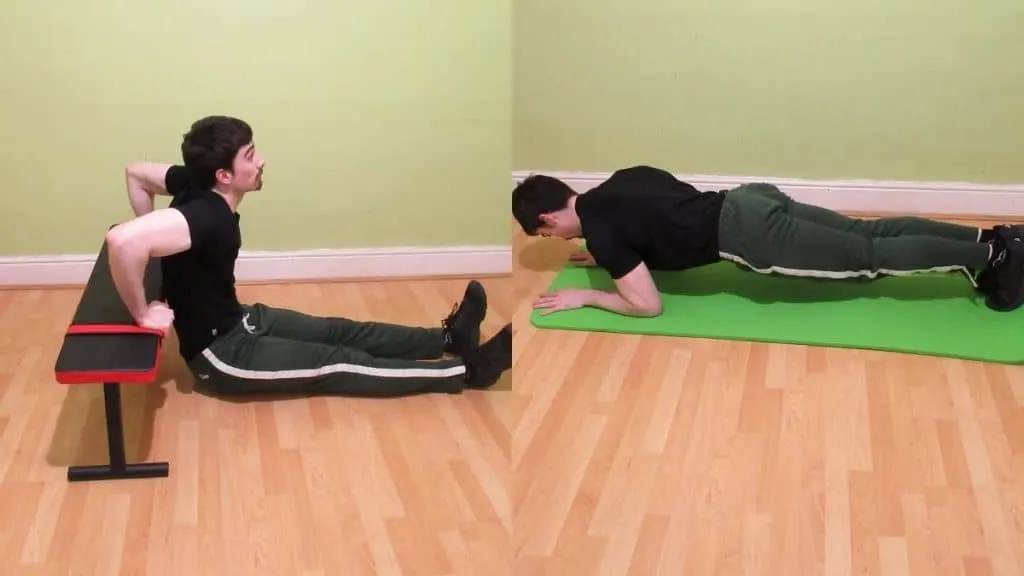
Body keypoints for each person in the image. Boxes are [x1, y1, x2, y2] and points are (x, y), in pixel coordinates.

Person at [105, 115, 512, 398]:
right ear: (224, 176)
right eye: (249, 156)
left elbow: (135, 172)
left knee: (340, 330)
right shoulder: (206, 215)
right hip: (223, 355)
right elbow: (123, 242)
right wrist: (143, 312)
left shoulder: (193, 181)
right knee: (338, 364)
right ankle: (469, 372)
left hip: (238, 319)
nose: (260, 160)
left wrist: (159, 249)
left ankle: (447, 338)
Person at [512, 164, 1024, 316]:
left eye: (547, 236)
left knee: (871, 257)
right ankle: (990, 238)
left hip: (752, 235)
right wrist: (606, 251)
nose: (557, 241)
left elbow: (647, 305)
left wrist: (590, 295)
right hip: (751, 199)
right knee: (870, 232)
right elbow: (661, 216)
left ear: (546, 221)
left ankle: (998, 256)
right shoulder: (623, 179)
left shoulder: (605, 232)